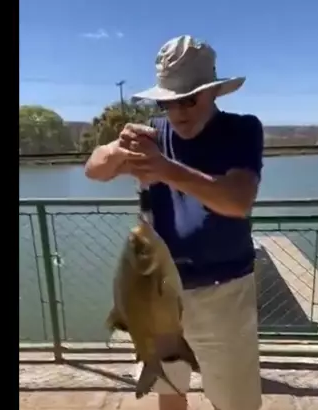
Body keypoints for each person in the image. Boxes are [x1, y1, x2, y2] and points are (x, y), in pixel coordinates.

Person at [85, 35, 264, 410]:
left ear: (213, 93)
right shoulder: (151, 133)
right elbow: (95, 170)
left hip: (223, 292)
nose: (178, 111)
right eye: (168, 101)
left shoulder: (242, 130)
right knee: (170, 390)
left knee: (236, 401)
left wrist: (166, 169)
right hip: (157, 288)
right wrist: (118, 150)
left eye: (189, 99)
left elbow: (237, 200)